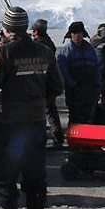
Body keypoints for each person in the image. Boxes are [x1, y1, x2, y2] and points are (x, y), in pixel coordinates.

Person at [0, 7, 64, 209]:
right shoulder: (45, 51)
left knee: (6, 182)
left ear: (6, 28)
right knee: (36, 182)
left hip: (12, 130)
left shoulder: (2, 52)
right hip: (36, 127)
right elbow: (58, 86)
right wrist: (39, 102)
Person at [56, 21, 101, 125]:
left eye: (79, 33)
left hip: (90, 88)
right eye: (74, 33)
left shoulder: (90, 49)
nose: (77, 35)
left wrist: (97, 83)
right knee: (75, 117)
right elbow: (63, 71)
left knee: (89, 116)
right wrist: (73, 85)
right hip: (74, 90)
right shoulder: (65, 51)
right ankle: (74, 138)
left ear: (83, 34)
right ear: (70, 35)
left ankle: (88, 138)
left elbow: (97, 66)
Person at [31, 19, 65, 148]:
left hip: (39, 82)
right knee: (51, 112)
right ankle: (58, 138)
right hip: (49, 81)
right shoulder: (50, 43)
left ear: (35, 31)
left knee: (38, 114)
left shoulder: (36, 46)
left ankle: (40, 140)